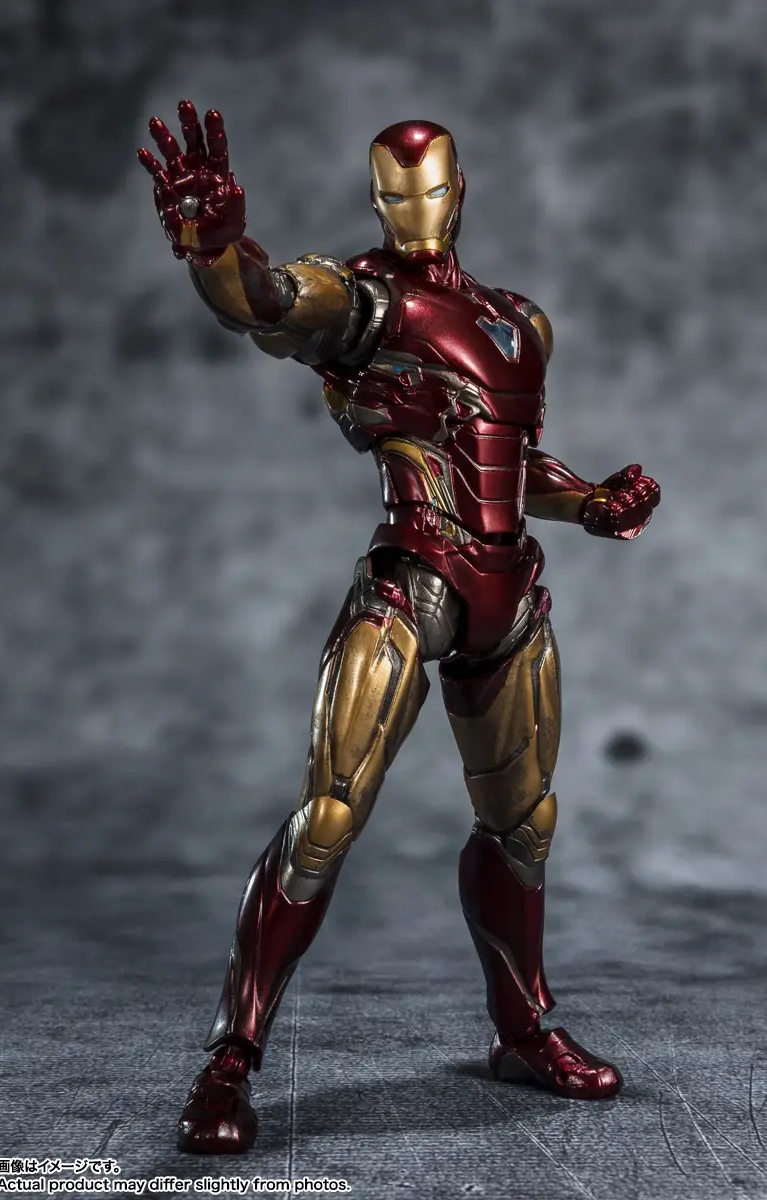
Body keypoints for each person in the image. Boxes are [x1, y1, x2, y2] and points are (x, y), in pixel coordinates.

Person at [137, 100, 661, 1154]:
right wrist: (215, 249)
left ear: (456, 194)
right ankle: (230, 1059)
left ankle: (523, 1030)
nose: (411, 211)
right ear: (378, 201)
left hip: (508, 591)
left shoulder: (517, 322)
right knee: (327, 817)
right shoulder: (364, 299)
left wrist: (595, 502)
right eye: (391, 196)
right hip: (413, 577)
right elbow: (268, 302)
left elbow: (510, 469)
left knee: (522, 827)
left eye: (424, 193)